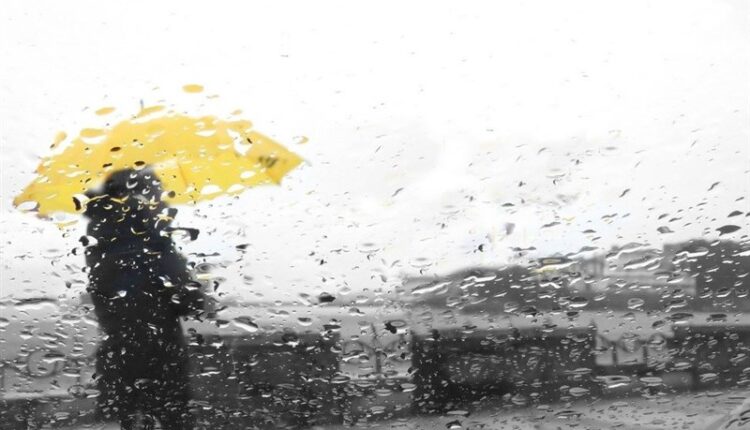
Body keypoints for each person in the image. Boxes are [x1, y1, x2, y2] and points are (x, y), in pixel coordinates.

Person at [83, 168, 204, 430]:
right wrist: (196, 285)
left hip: (117, 356)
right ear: (138, 197)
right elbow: (189, 300)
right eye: (156, 193)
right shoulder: (153, 244)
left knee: (130, 421)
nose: (162, 200)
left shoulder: (100, 240)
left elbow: (109, 298)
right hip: (160, 359)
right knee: (174, 422)